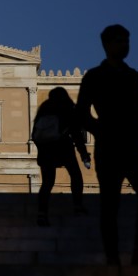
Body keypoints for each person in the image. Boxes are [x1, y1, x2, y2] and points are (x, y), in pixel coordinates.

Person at [76, 25, 138, 266]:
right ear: (107, 45)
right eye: (119, 41)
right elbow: (81, 113)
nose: (125, 45)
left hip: (133, 147)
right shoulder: (94, 77)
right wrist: (100, 130)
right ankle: (112, 257)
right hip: (109, 147)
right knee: (110, 203)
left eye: (127, 40)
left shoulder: (134, 77)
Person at [33, 87, 91, 226]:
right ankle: (77, 205)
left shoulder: (44, 107)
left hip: (46, 150)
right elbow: (76, 133)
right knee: (75, 175)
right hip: (63, 148)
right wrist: (83, 153)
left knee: (47, 183)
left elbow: (35, 134)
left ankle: (42, 213)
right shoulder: (67, 107)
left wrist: (42, 148)